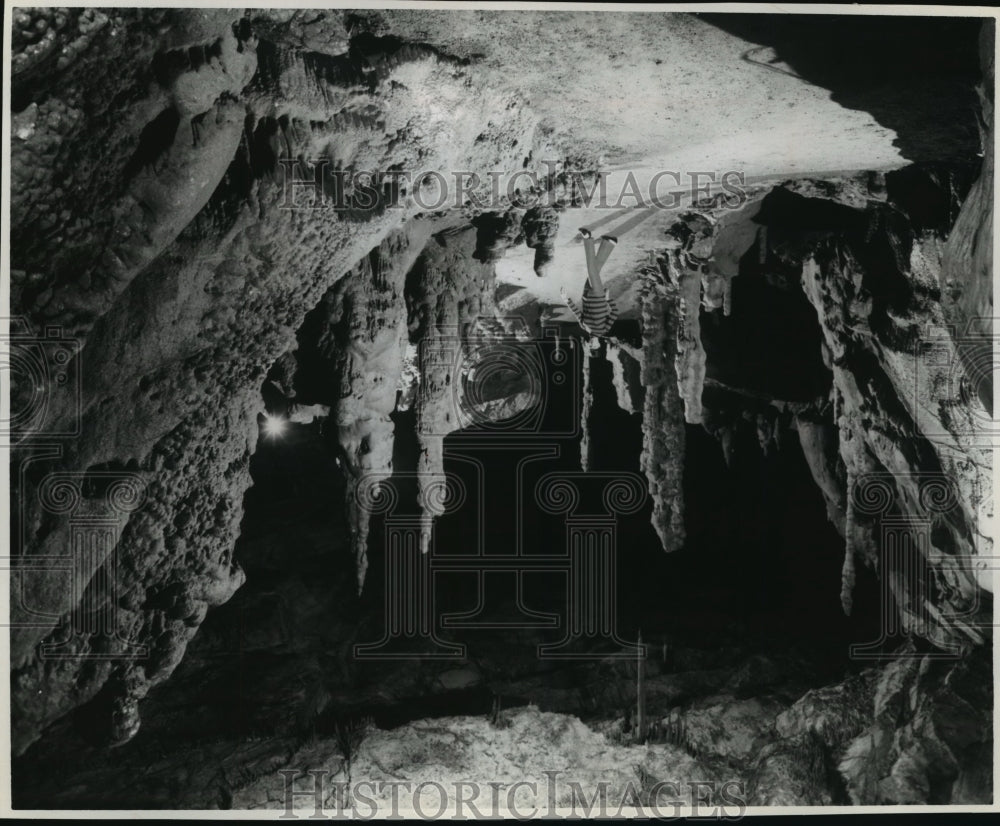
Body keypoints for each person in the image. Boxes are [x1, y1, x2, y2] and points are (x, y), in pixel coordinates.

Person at [560, 228, 620, 337]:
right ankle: (587, 238)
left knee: (595, 269)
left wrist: (566, 300)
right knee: (592, 271)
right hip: (598, 295)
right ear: (599, 345)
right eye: (594, 347)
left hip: (586, 294)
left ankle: (609, 244)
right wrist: (607, 300)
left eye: (591, 346)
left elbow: (577, 313)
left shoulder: (585, 328)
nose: (592, 344)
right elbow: (615, 313)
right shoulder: (603, 331)